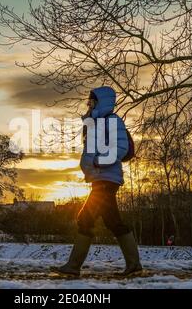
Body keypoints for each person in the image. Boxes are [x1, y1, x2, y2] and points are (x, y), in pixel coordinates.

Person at [51, 86, 142, 277]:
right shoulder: (96, 123)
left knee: (87, 219)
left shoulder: (112, 121)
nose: (88, 104)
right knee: (113, 221)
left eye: (92, 101)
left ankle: (73, 266)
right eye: (88, 101)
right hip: (100, 179)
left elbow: (121, 148)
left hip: (107, 179)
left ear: (101, 102)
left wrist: (98, 161)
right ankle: (133, 264)